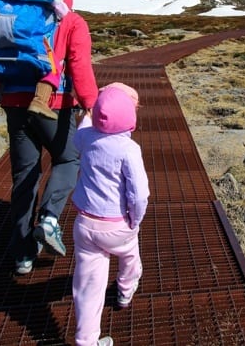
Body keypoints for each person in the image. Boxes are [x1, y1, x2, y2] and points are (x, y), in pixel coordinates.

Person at [0, 0, 99, 275]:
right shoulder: (71, 22)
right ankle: (48, 218)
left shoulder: (7, 12)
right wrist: (91, 106)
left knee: (24, 175)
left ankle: (22, 254)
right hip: (52, 105)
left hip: (12, 102)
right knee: (68, 158)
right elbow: (79, 67)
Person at [70, 83, 148, 346]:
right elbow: (138, 194)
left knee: (88, 285)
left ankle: (86, 340)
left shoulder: (86, 138)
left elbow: (80, 129)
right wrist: (135, 220)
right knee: (130, 257)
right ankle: (125, 292)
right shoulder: (129, 149)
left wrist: (90, 112)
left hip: (85, 224)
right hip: (118, 226)